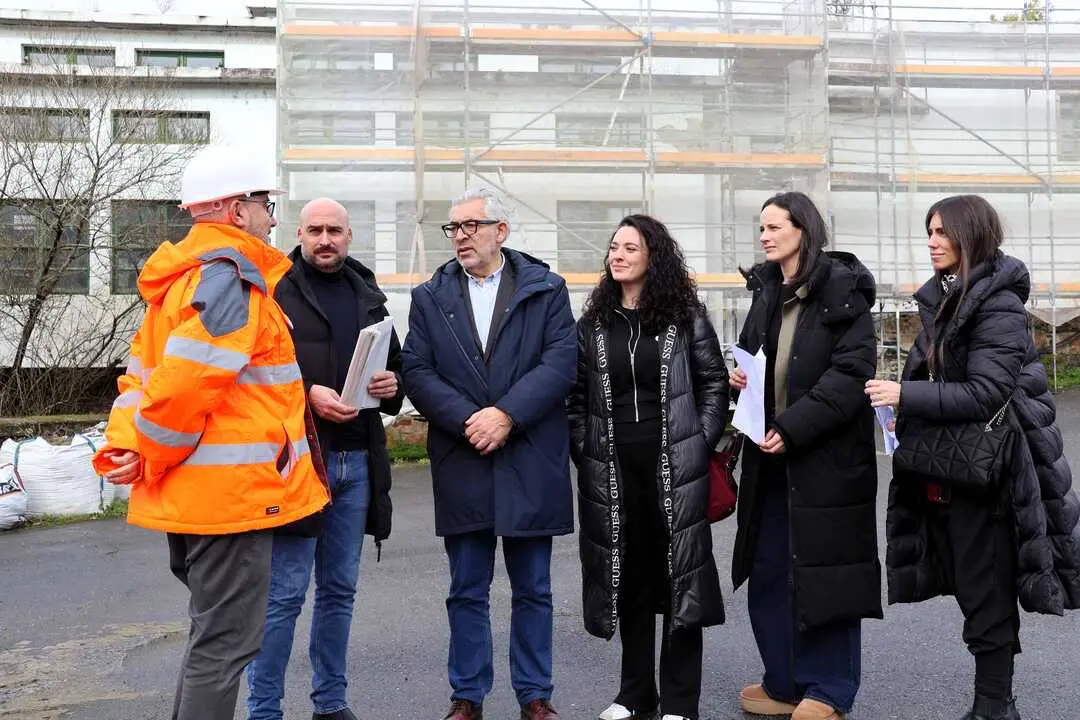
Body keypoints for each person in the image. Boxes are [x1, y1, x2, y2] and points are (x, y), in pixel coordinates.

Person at [90, 144, 330, 720]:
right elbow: (180, 390)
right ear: (233, 209)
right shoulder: (230, 280)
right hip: (230, 503)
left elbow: (140, 379)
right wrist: (148, 453)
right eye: (264, 203)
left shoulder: (184, 280)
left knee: (211, 644)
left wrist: (130, 447)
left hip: (205, 499)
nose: (273, 217)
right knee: (225, 648)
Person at [866, 194, 1080, 720]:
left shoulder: (999, 303)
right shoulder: (948, 298)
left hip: (991, 472)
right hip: (952, 466)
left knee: (986, 587)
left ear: (972, 235)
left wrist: (904, 396)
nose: (933, 241)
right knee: (971, 583)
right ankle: (994, 704)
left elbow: (987, 392)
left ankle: (994, 707)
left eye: (943, 232)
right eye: (930, 232)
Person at [401, 186, 576, 720]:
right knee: (466, 589)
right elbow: (416, 370)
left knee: (534, 589)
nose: (461, 237)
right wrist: (467, 420)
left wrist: (507, 415)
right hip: (465, 455)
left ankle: (535, 695)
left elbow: (561, 362)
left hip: (529, 455)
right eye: (453, 228)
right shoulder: (430, 296)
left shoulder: (547, 289)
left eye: (471, 226)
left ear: (501, 231)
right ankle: (467, 696)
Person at [245, 198, 404, 720]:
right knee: (284, 597)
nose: (325, 239)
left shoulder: (369, 296)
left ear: (349, 235)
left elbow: (396, 370)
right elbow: (251, 378)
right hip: (296, 464)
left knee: (339, 593)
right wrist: (306, 393)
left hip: (356, 462)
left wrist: (391, 385)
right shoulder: (275, 290)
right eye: (315, 230)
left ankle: (330, 704)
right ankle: (264, 710)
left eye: (334, 230)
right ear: (299, 233)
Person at [566, 214, 729, 720]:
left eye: (629, 248)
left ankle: (680, 701)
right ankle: (635, 694)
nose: (617, 255)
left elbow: (714, 384)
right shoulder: (592, 324)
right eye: (613, 247)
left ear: (653, 257)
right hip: (613, 472)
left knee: (681, 578)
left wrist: (697, 444)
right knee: (628, 578)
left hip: (675, 468)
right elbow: (574, 397)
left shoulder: (685, 315)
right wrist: (583, 445)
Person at [729, 191, 881, 720]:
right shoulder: (767, 289)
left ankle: (828, 691)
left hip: (826, 461)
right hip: (769, 458)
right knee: (770, 569)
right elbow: (759, 362)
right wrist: (740, 381)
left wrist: (791, 427)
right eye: (762, 227)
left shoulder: (844, 291)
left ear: (804, 230)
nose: (765, 235)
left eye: (774, 226)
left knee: (825, 574)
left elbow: (850, 376)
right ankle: (784, 684)